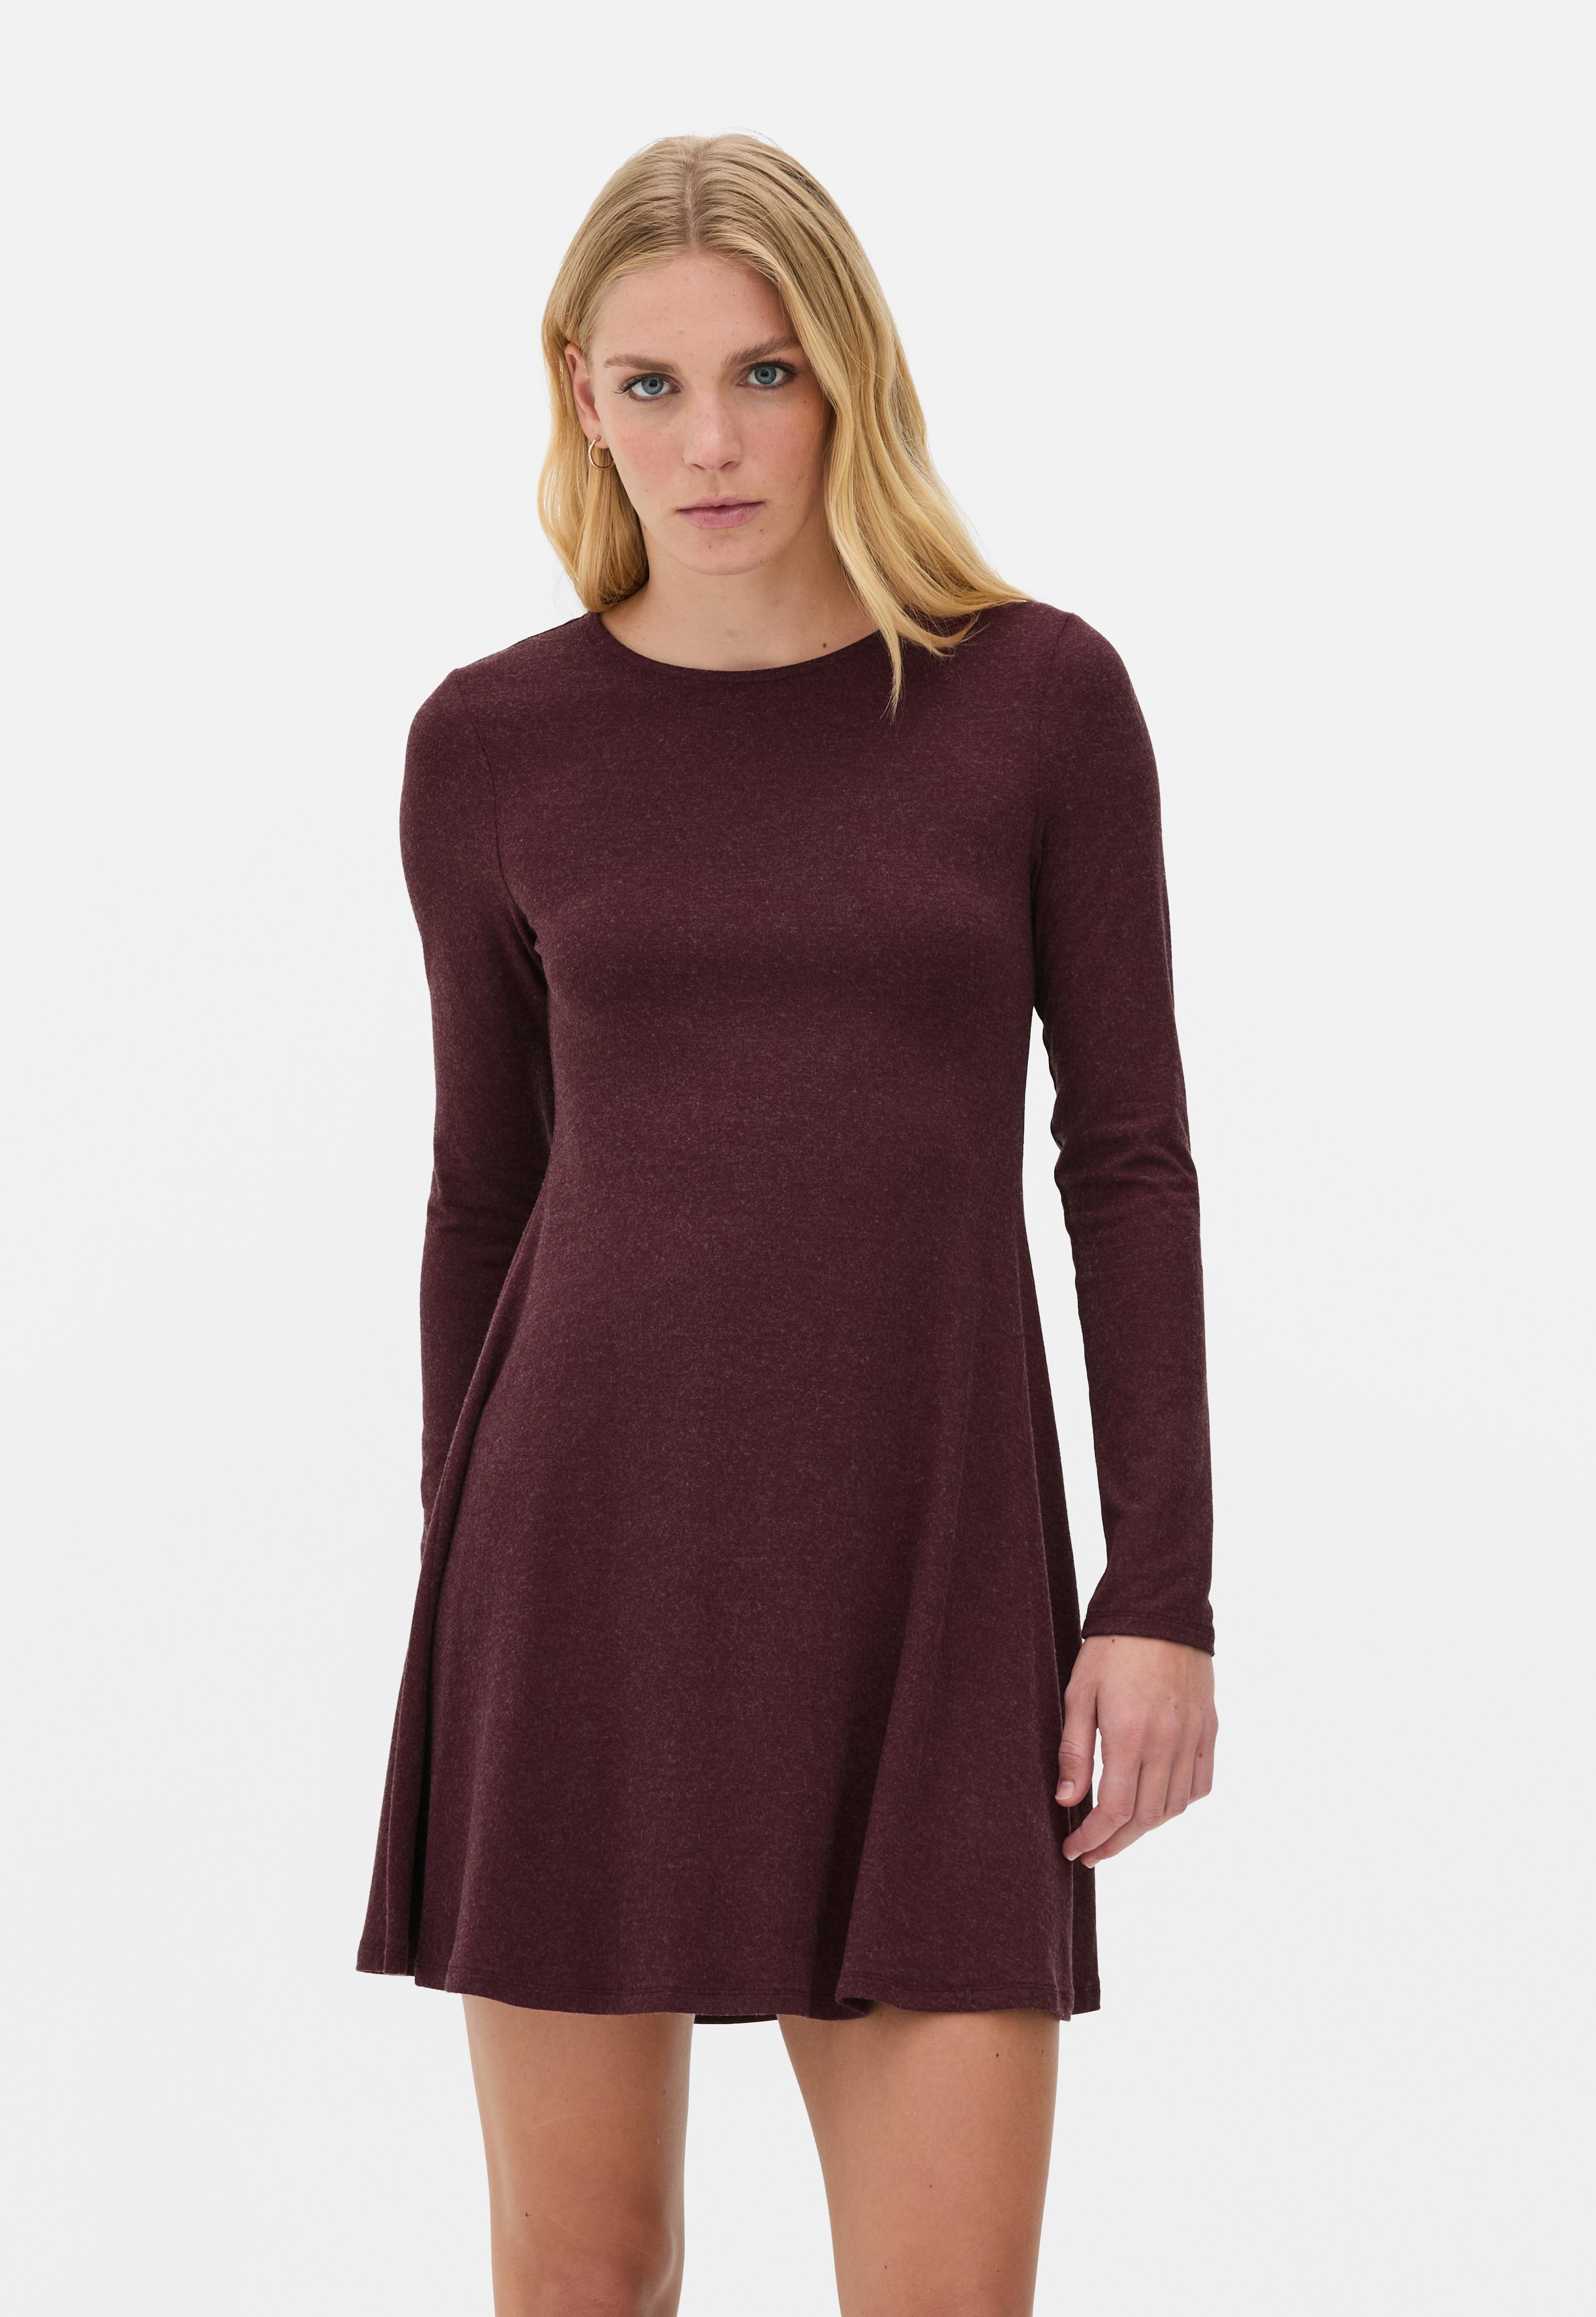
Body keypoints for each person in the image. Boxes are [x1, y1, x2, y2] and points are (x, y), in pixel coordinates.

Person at [358, 130, 1217, 2317]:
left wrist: (1159, 1593)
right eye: (651, 385)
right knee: (586, 2276)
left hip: (929, 1568)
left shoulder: (1035, 700)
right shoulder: (490, 742)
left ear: (850, 376)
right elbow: (485, 1186)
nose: (712, 443)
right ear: (578, 393)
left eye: (764, 373)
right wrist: (458, 1565)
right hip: (580, 1557)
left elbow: (1124, 1154)